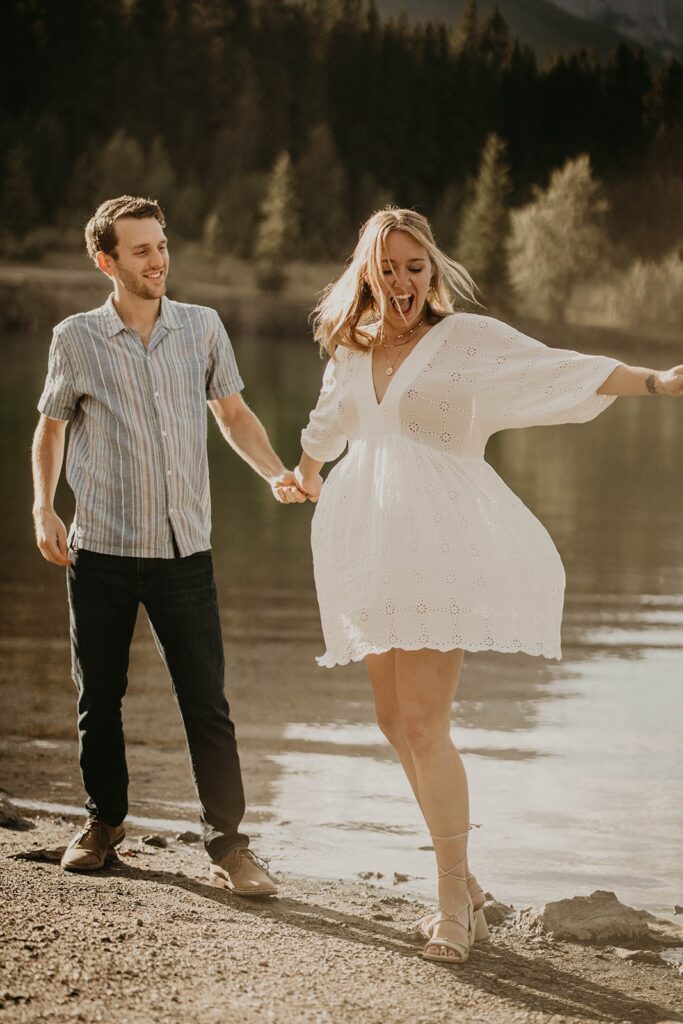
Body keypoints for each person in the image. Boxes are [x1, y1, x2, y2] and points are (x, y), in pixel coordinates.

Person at [292, 207, 683, 964]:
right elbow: (328, 423)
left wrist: (658, 383)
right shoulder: (349, 347)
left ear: (431, 273)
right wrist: (302, 474)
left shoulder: (464, 342)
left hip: (441, 545)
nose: (402, 281)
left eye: (415, 267)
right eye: (388, 267)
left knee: (423, 723)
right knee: (389, 719)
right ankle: (465, 881)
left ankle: (451, 909)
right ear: (366, 272)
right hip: (367, 546)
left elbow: (558, 368)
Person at [31, 195, 305, 891]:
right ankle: (103, 824)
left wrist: (275, 472)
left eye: (161, 245)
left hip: (185, 552)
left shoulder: (202, 327)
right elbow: (51, 428)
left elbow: (233, 414)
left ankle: (229, 848)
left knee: (205, 700)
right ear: (107, 262)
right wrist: (43, 507)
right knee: (100, 697)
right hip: (100, 550)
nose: (159, 260)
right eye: (142, 250)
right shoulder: (76, 338)